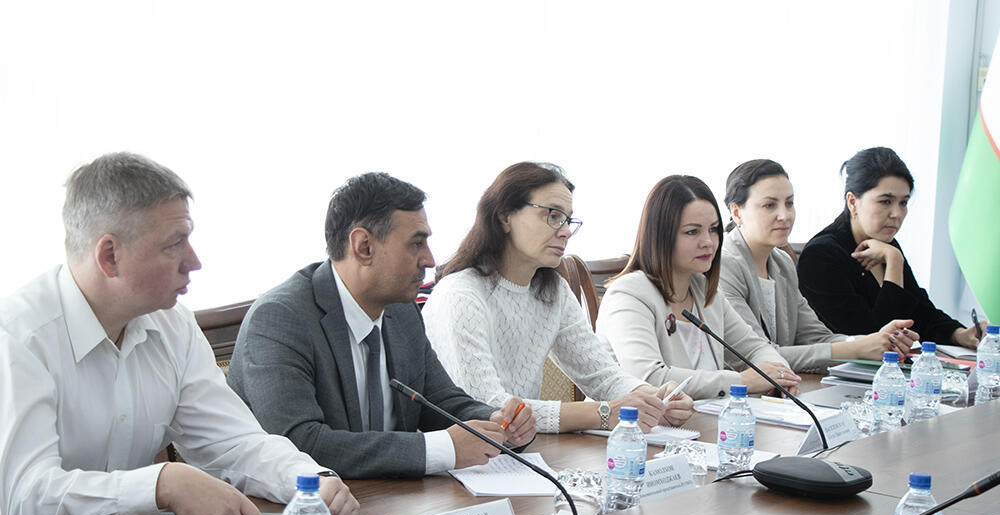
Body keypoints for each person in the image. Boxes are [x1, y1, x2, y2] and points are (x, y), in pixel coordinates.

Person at [0, 153, 358, 515]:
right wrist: (161, 484)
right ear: (109, 256)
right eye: (174, 244)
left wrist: (307, 483)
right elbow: (26, 502)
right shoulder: (18, 336)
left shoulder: (173, 324)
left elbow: (233, 444)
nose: (194, 261)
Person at [227, 172, 535, 480]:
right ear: (363, 247)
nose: (429, 260)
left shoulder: (402, 311)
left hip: (386, 499)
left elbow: (440, 402)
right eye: (416, 243)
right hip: (290, 513)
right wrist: (440, 448)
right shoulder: (280, 318)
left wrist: (496, 423)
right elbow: (299, 444)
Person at [422, 162, 694, 435]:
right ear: (505, 216)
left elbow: (601, 374)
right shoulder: (460, 295)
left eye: (567, 220)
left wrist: (654, 398)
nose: (564, 230)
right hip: (458, 461)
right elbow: (486, 407)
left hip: (522, 450)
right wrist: (599, 413)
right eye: (553, 216)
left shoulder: (554, 291)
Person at [595, 175, 801, 400]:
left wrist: (781, 377)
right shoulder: (628, 294)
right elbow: (650, 378)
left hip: (700, 425)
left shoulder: (703, 290)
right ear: (661, 236)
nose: (709, 242)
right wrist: (743, 382)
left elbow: (755, 348)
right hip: (628, 430)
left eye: (713, 229)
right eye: (692, 232)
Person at [719, 159, 919, 371]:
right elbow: (757, 356)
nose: (785, 215)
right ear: (737, 212)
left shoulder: (782, 262)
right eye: (769, 205)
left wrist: (878, 341)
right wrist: (859, 348)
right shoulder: (724, 264)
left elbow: (815, 337)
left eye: (789, 203)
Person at [798, 147, 985, 349]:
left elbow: (920, 311)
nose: (896, 214)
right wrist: (894, 262)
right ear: (852, 202)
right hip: (835, 375)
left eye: (903, 203)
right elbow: (874, 336)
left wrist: (959, 334)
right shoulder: (821, 256)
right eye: (885, 201)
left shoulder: (886, 244)